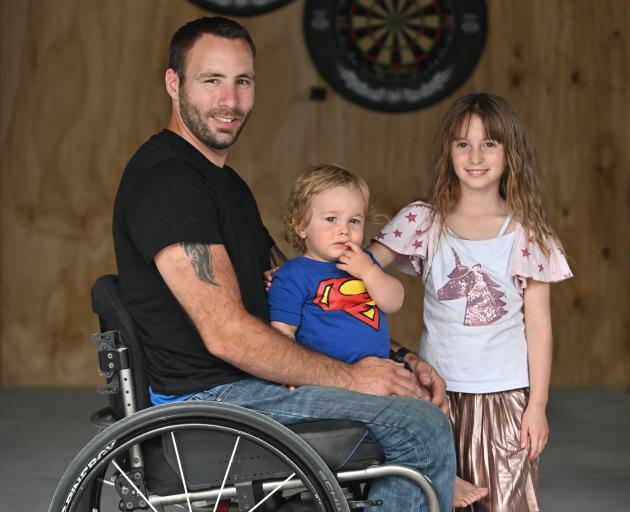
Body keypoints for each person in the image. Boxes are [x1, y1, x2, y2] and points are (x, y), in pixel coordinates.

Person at [112, 16, 455, 511]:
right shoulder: (169, 183)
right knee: (420, 426)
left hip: (248, 385)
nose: (230, 101)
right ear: (173, 83)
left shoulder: (226, 185)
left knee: (412, 402)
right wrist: (357, 378)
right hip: (212, 403)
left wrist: (401, 360)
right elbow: (226, 333)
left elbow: (320, 295)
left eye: (242, 82)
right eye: (212, 81)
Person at [368, 92, 573, 511]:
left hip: (505, 397)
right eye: (463, 143)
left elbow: (539, 326)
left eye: (489, 144)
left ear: (509, 153)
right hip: (436, 395)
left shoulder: (526, 233)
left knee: (505, 501)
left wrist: (537, 406)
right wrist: (301, 274)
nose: (475, 155)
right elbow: (365, 268)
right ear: (449, 152)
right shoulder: (423, 221)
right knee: (437, 499)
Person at [267, 164, 488, 508]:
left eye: (354, 221)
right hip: (333, 377)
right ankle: (441, 480)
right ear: (300, 225)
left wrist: (369, 270)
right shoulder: (293, 276)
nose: (344, 231)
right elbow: (282, 332)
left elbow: (394, 300)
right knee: (414, 421)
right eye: (331, 220)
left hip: (380, 370)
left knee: (430, 406)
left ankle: (446, 474)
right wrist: (288, 374)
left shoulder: (364, 264)